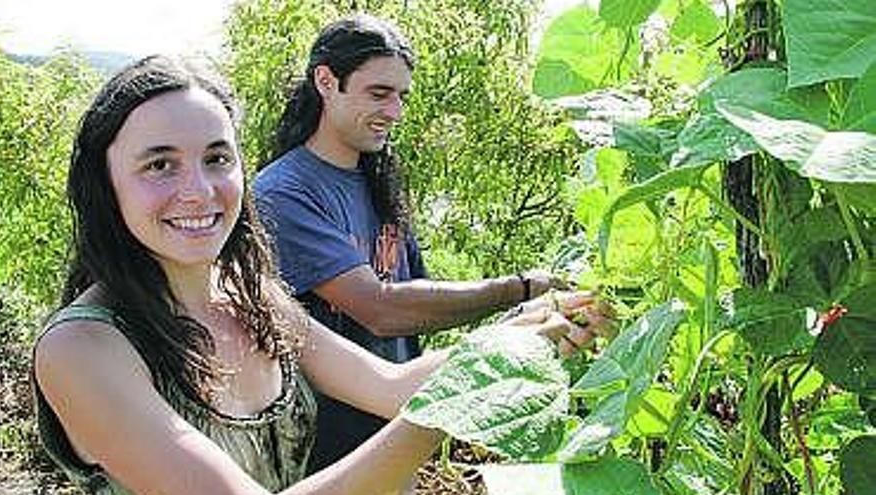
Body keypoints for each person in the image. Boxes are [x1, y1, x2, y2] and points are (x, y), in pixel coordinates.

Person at [32, 55, 608, 495]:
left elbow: (390, 386)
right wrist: (455, 408)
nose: (199, 190)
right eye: (160, 164)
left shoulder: (250, 296)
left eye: (217, 158)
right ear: (105, 184)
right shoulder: (83, 347)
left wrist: (524, 333)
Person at [253, 14, 570, 472]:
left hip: (394, 434)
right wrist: (521, 288)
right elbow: (383, 310)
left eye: (401, 97)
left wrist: (526, 319)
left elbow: (418, 308)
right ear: (326, 81)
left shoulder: (378, 182)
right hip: (326, 458)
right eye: (379, 94)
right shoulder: (283, 192)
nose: (396, 112)